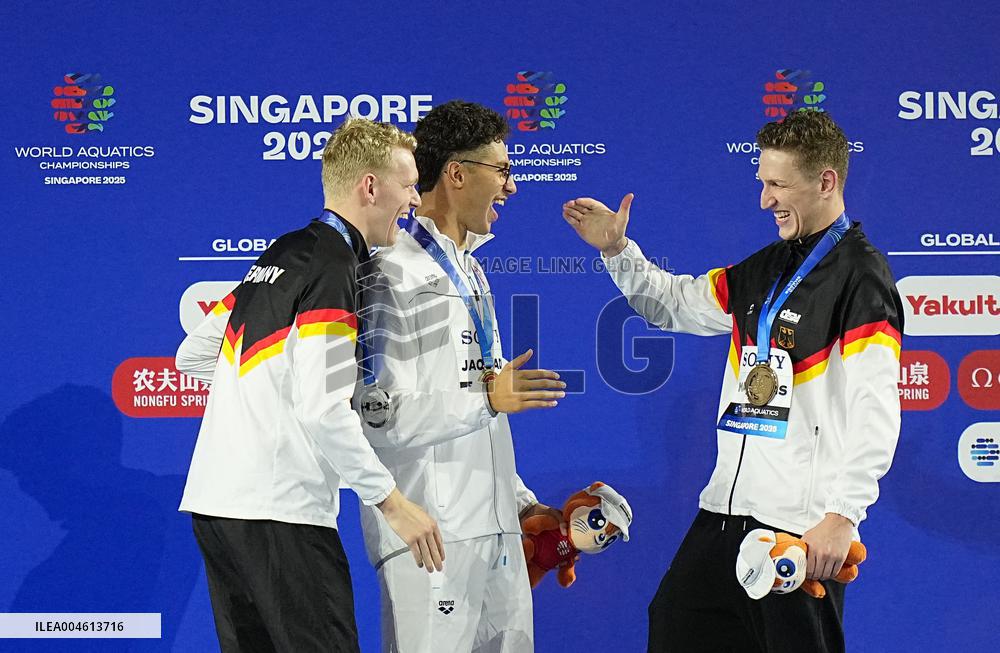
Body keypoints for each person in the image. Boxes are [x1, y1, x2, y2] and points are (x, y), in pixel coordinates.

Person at [563, 109, 903, 653]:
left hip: (796, 528)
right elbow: (671, 305)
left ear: (826, 181)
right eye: (762, 182)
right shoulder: (764, 267)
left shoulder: (862, 277)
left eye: (777, 184)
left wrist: (842, 516)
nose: (765, 199)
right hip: (724, 513)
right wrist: (616, 251)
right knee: (674, 623)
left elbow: (875, 405)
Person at [175, 117, 445, 653]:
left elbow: (194, 354)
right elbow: (324, 409)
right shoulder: (334, 265)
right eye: (409, 183)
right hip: (281, 512)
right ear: (370, 186)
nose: (415, 199)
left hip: (217, 506)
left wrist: (265, 398)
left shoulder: (285, 252)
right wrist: (394, 504)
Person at [356, 100, 566, 653]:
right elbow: (376, 416)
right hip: (430, 533)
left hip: (493, 526)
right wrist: (487, 402)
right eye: (501, 170)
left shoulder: (470, 269)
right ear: (456, 173)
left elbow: (481, 402)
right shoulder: (388, 273)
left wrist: (519, 502)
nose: (512, 187)